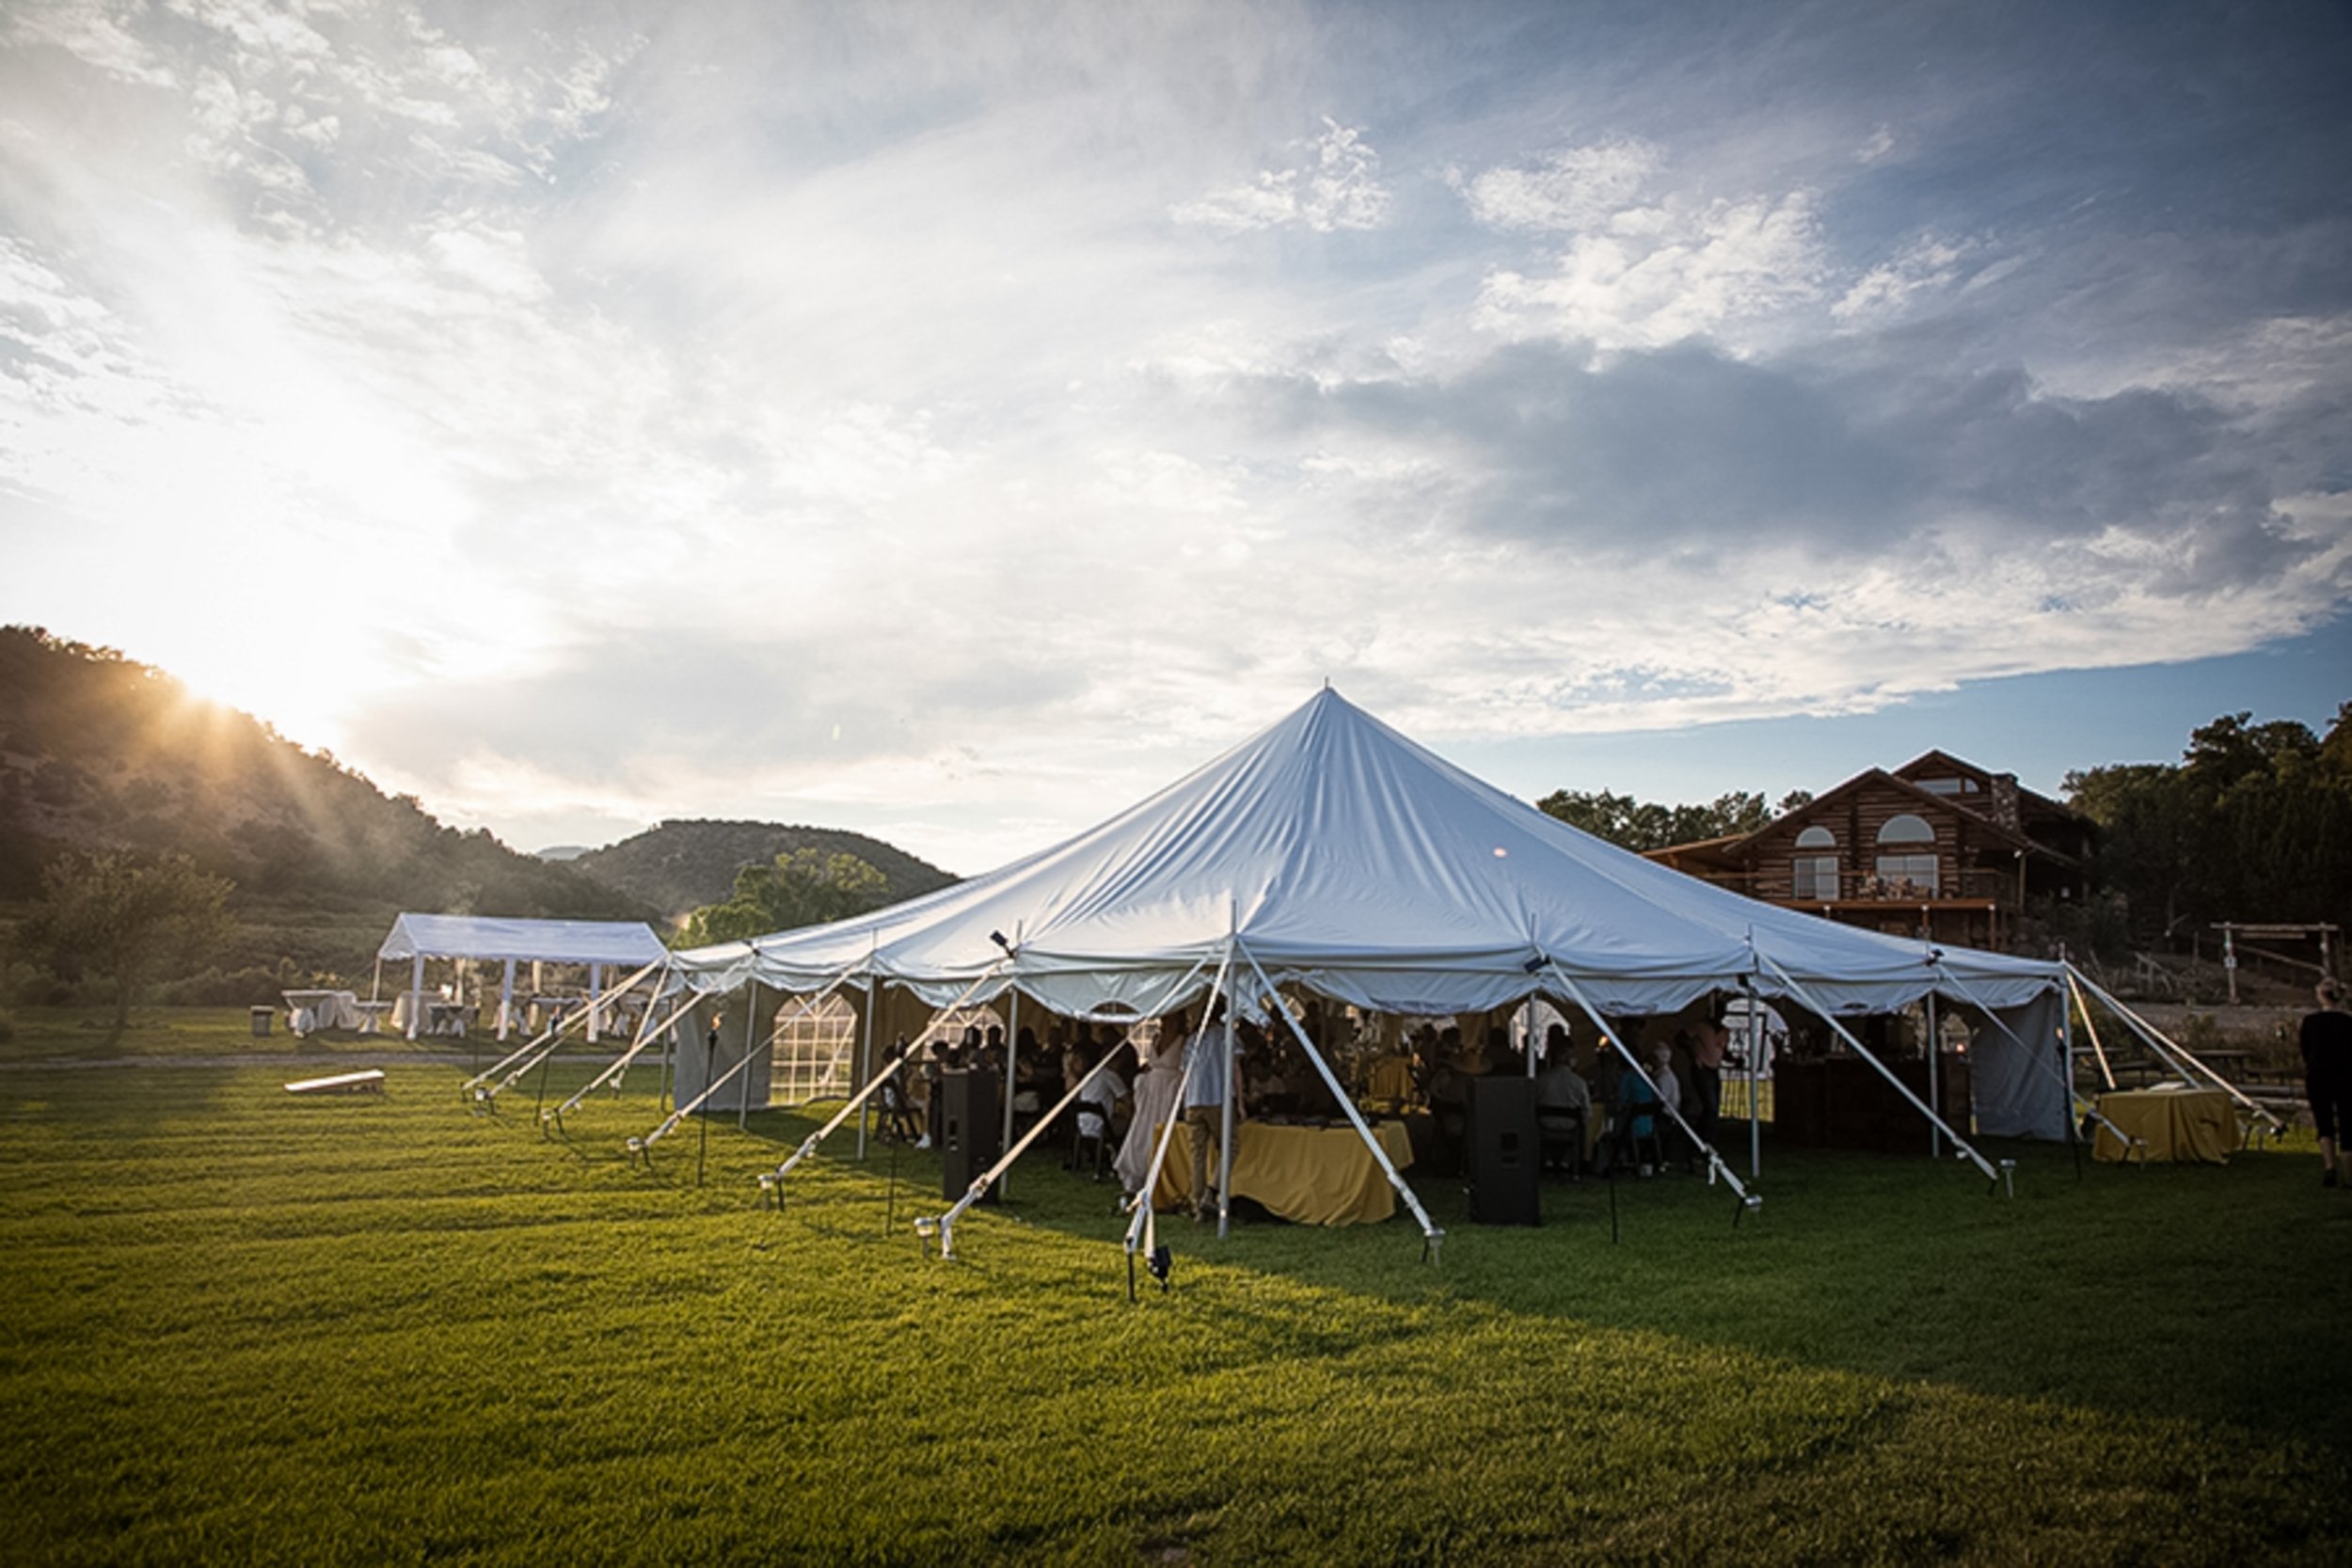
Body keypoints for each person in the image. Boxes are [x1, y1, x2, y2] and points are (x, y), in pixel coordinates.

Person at [1116, 1011, 1187, 1196]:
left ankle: (1157, 1177)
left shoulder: (1183, 1040)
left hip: (1169, 1089)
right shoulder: (1156, 1037)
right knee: (1141, 1130)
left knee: (1161, 1131)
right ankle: (1135, 1173)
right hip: (1150, 1090)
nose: (1169, 1022)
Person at [2299, 978, 2352, 1188]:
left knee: (2324, 1122)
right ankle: (2350, 1174)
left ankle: (2329, 1167)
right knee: (2348, 1123)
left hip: (2318, 1075)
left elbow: (2305, 1049)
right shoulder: (2349, 1023)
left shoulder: (2310, 1022)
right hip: (2346, 1075)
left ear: (2321, 995)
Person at [1184, 997, 1233, 1219]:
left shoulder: (1192, 1039)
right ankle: (1211, 1191)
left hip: (1192, 1100)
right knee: (1230, 1146)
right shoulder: (1226, 1036)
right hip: (1217, 1098)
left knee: (1198, 1154)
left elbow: (1183, 1071)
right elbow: (1236, 1069)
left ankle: (1196, 1204)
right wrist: (1240, 1102)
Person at [1534, 1024, 1590, 1174]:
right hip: (1569, 1125)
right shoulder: (1579, 1082)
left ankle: (1547, 1159)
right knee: (1581, 1126)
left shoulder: (1541, 1079)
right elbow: (1586, 1111)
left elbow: (1533, 1102)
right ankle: (1568, 1161)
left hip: (1544, 1124)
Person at [1689, 1015, 1727, 1145]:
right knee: (1710, 1106)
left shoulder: (1724, 1031)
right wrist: (1694, 1054)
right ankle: (1702, 1138)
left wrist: (1733, 1059)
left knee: (1714, 1107)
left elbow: (1723, 1050)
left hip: (1714, 1069)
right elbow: (1681, 1038)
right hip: (1702, 1068)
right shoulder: (1700, 1026)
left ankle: (1706, 1137)